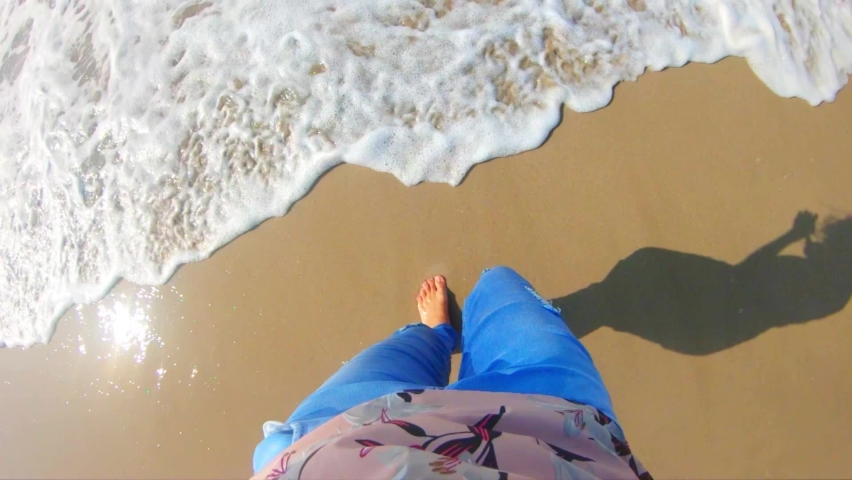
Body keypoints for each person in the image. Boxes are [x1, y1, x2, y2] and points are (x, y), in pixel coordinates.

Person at [252, 267, 651, 479]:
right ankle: (443, 335)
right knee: (496, 282)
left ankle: (439, 335)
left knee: (419, 344)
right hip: (557, 425)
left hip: (334, 436)